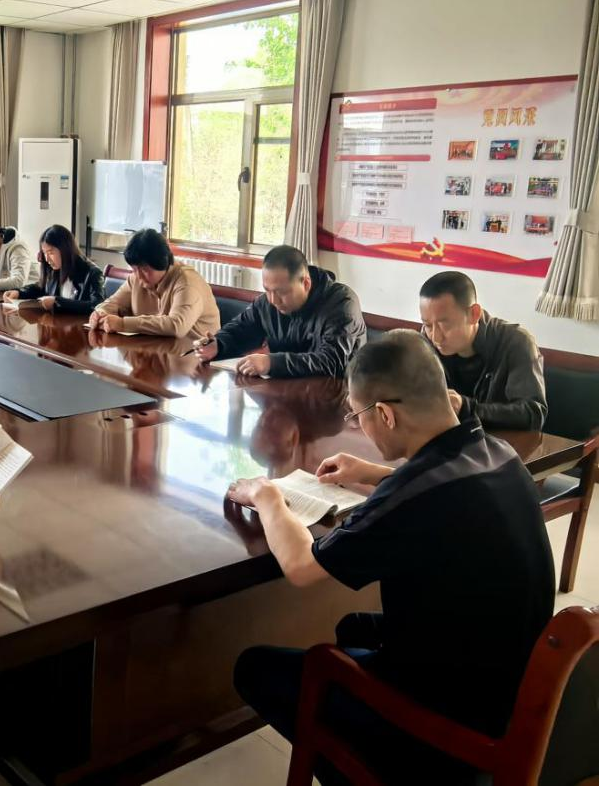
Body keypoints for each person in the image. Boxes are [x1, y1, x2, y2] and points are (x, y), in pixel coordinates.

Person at [228, 331, 554, 782]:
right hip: (510, 684)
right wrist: (377, 474)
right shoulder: (500, 454)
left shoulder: (415, 496)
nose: (359, 425)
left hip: (449, 722)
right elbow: (442, 487)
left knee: (255, 668)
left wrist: (266, 497)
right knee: (352, 627)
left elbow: (302, 567)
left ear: (384, 413)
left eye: (357, 415)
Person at [197, 245, 365, 378]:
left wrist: (271, 363)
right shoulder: (267, 303)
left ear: (306, 283)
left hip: (340, 398)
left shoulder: (341, 304)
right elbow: (241, 330)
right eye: (267, 290)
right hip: (285, 392)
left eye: (281, 292)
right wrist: (218, 344)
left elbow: (331, 362)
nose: (273, 300)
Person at [419, 270, 546, 430]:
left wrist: (466, 408)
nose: (436, 337)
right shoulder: (426, 341)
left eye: (445, 325)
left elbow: (533, 414)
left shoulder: (516, 342)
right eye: (428, 325)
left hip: (501, 442)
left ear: (474, 314)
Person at [89, 228, 220, 339]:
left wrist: (122, 324)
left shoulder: (187, 282)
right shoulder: (136, 278)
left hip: (195, 355)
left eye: (144, 269)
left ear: (162, 262)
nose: (138, 276)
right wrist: (100, 313)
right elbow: (113, 303)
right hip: (155, 350)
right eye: (134, 269)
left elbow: (176, 326)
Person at [3, 224, 105, 314]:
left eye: (50, 253)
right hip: (57, 325)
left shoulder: (93, 273)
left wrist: (57, 302)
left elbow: (97, 306)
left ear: (65, 249)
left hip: (79, 328)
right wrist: (19, 292)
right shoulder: (54, 269)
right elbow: (41, 288)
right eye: (44, 253)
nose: (47, 259)